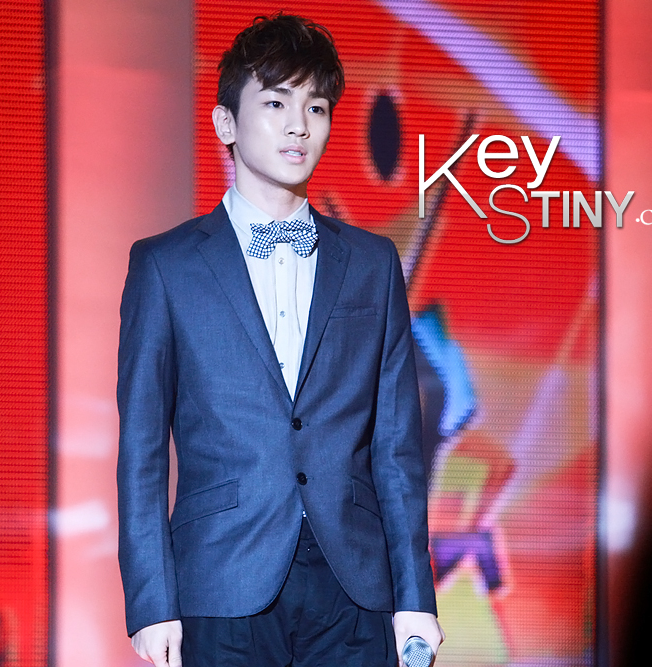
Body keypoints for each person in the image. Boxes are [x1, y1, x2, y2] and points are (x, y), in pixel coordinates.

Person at [117, 13, 442, 667]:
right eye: (275, 103)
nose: (299, 125)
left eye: (315, 107)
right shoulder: (166, 265)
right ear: (226, 123)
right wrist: (151, 602)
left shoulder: (372, 262)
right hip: (220, 581)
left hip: (355, 585)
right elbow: (142, 450)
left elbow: (397, 447)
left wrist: (415, 597)